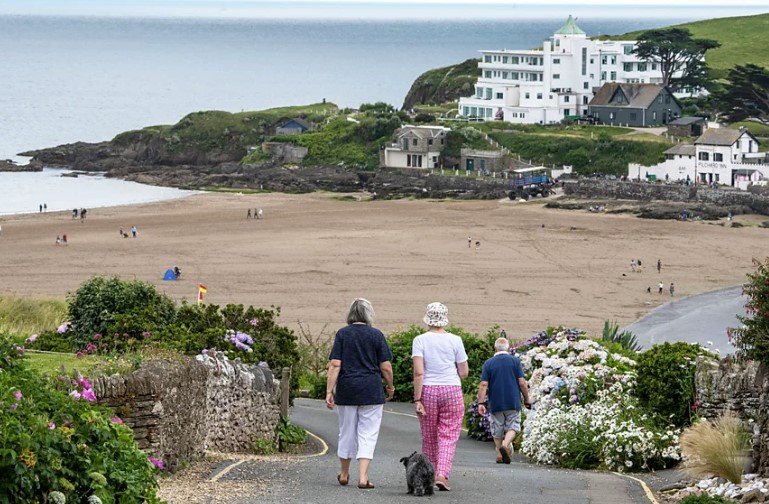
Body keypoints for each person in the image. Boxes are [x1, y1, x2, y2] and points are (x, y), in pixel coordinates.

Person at [326, 298, 394, 490]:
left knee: (346, 431)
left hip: (347, 389)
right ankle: (363, 477)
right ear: (369, 314)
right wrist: (390, 386)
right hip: (371, 389)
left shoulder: (342, 334)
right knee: (368, 433)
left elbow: (335, 364)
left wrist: (329, 390)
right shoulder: (376, 335)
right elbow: (386, 367)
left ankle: (345, 473)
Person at [412, 302, 468, 492]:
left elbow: (419, 373)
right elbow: (464, 371)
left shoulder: (419, 340)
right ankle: (442, 475)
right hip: (451, 389)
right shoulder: (456, 340)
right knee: (449, 434)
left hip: (427, 390)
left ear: (427, 318)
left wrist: (417, 399)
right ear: (445, 319)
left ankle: (428, 475)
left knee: (429, 437)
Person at [477, 337, 531, 464]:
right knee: (513, 426)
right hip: (513, 400)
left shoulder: (488, 363)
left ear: (495, 348)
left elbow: (484, 384)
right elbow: (522, 383)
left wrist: (480, 402)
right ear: (508, 348)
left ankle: (500, 454)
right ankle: (505, 445)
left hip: (495, 402)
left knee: (497, 428)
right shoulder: (515, 361)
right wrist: (527, 399)